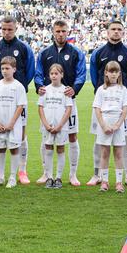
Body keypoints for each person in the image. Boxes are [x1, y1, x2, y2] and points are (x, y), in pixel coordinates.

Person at [35, 19, 86, 186]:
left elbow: (81, 74)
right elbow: (38, 73)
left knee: (72, 136)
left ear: (68, 32)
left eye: (63, 31)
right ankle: (46, 173)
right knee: (46, 136)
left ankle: (72, 174)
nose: (61, 34)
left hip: (67, 102)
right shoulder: (44, 53)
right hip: (49, 102)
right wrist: (39, 87)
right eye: (58, 31)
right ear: (53, 32)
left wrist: (75, 88)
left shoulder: (76, 53)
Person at [88, 20, 127, 187]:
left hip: (121, 106)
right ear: (107, 32)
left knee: (126, 141)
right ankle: (97, 175)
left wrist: (124, 90)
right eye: (113, 29)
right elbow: (95, 76)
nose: (116, 32)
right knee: (99, 142)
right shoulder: (98, 53)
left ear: (123, 33)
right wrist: (103, 90)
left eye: (119, 29)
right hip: (103, 107)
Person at [0, 15, 35, 185]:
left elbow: (30, 71)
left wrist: (20, 84)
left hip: (17, 96)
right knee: (0, 137)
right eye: (4, 29)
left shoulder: (23, 48)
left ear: (16, 29)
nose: (7, 32)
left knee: (21, 134)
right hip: (1, 97)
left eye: (10, 29)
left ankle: (22, 170)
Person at [92, 61, 127, 193]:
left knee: (119, 153)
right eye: (111, 71)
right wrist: (103, 125)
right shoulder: (101, 89)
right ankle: (104, 181)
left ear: (119, 74)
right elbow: (97, 109)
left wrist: (118, 125)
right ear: (106, 73)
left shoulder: (123, 89)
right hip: (105, 122)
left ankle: (119, 182)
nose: (113, 74)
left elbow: (125, 108)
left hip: (117, 124)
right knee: (104, 153)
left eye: (116, 72)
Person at [0, 56, 27, 188]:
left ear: (14, 69)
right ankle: (0, 177)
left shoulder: (18, 86)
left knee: (14, 149)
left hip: (13, 125)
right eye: (3, 68)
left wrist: (11, 123)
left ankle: (12, 177)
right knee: (0, 149)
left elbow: (20, 106)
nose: (4, 71)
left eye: (7, 68)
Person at [37, 63, 73, 189]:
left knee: (60, 149)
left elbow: (68, 109)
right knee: (48, 150)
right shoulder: (45, 90)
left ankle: (58, 177)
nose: (54, 76)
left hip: (61, 127)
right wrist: (46, 125)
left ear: (62, 75)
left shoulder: (66, 91)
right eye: (51, 73)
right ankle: (49, 177)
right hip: (47, 127)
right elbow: (40, 108)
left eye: (56, 73)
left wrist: (60, 125)